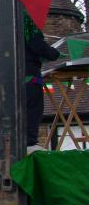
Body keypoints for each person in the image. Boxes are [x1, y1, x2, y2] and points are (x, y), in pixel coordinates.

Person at [24, 14, 60, 154]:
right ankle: (29, 140)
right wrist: (55, 53)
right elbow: (40, 47)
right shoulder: (28, 26)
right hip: (29, 75)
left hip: (10, 75)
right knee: (33, 108)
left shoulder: (4, 25)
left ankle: (19, 138)